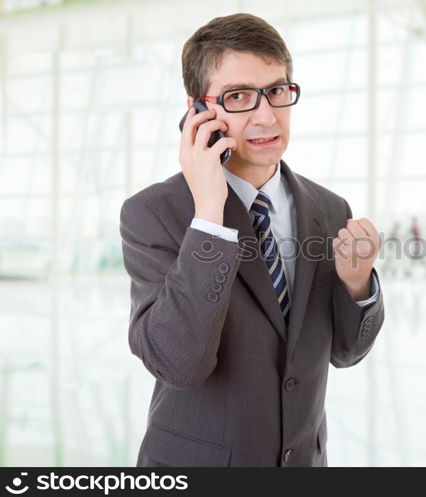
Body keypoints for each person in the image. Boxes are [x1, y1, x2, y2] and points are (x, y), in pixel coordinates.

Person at [119, 13, 384, 467]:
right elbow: (178, 363)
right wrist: (209, 213)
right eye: (239, 96)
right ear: (198, 111)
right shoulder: (153, 213)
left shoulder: (330, 209)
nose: (266, 116)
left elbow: (345, 353)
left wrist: (358, 287)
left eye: (277, 91)